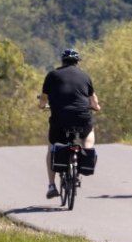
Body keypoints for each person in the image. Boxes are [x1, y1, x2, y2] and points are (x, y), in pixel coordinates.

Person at [39, 48, 100, 200]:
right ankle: (87, 150)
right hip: (82, 117)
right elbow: (94, 100)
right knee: (88, 133)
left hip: (60, 119)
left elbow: (44, 99)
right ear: (78, 62)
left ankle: (52, 185)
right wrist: (96, 107)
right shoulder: (85, 76)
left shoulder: (52, 75)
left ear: (62, 61)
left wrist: (42, 106)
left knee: (52, 147)